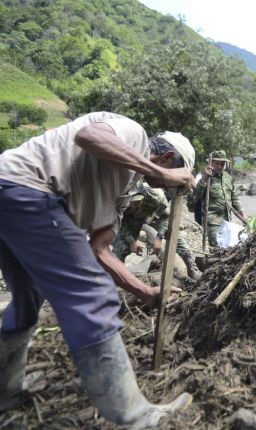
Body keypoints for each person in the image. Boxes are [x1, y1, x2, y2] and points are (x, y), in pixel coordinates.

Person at [0, 113, 194, 426]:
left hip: (9, 192)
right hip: (29, 190)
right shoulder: (133, 134)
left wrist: (145, 292)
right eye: (173, 176)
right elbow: (89, 137)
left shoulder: (124, 189)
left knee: (26, 297)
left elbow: (99, 250)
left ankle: (5, 392)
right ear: (168, 157)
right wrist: (161, 173)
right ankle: (135, 417)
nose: (167, 187)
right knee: (94, 296)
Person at [112, 181, 202, 280]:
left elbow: (165, 217)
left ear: (144, 194)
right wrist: (132, 241)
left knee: (174, 235)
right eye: (132, 202)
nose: (135, 204)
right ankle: (115, 276)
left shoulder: (156, 196)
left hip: (154, 216)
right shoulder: (120, 200)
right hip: (132, 219)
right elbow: (121, 222)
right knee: (120, 244)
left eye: (138, 201)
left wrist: (159, 237)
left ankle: (192, 268)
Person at [187, 150, 247, 247]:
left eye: (222, 164)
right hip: (212, 221)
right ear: (211, 163)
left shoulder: (228, 178)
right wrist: (204, 179)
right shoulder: (202, 177)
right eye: (217, 163)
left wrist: (242, 214)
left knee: (228, 246)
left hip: (227, 219)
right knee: (217, 246)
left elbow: (234, 198)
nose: (220, 166)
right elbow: (191, 202)